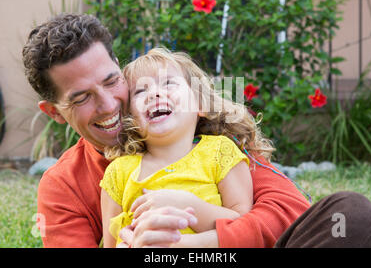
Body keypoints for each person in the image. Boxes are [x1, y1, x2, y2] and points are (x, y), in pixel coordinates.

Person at [22, 13, 371, 248]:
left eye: (112, 81)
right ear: (54, 112)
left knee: (351, 214)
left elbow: (289, 213)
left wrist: (197, 241)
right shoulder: (66, 185)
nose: (108, 105)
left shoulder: (212, 142)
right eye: (82, 97)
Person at [100, 48, 275, 247]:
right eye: (140, 91)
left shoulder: (220, 152)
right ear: (130, 118)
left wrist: (188, 206)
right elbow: (111, 242)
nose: (154, 93)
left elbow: (244, 227)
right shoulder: (118, 173)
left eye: (168, 83)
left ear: (199, 104)